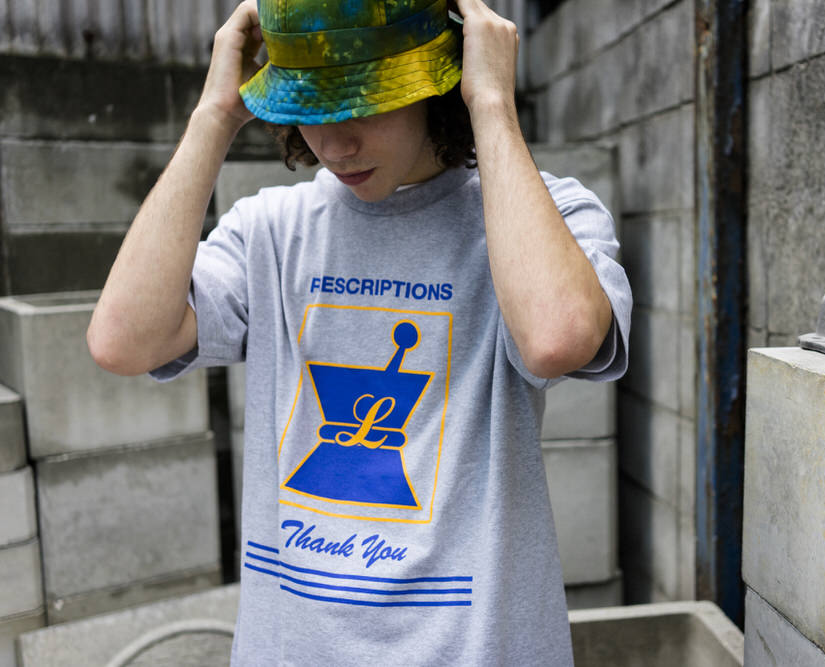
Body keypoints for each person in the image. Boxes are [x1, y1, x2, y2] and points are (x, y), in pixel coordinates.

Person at [87, 0, 631, 663]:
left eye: (366, 103)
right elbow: (123, 341)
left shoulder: (547, 214)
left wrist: (491, 105)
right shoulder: (271, 231)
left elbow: (556, 339)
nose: (335, 145)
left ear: (438, 83)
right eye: (311, 108)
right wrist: (213, 117)